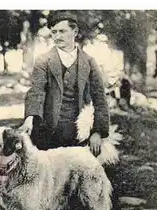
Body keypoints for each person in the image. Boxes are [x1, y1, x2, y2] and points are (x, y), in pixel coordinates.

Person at [20, 11, 110, 157]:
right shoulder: (43, 61)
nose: (57, 36)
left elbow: (100, 98)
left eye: (62, 31)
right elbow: (37, 90)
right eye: (54, 32)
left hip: (78, 135)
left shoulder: (89, 62)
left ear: (75, 32)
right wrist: (29, 118)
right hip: (47, 133)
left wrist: (98, 132)